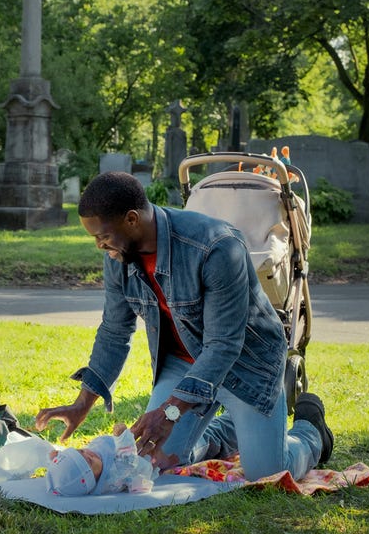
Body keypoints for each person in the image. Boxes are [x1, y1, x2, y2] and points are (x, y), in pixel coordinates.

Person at [34, 171, 333, 481]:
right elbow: (114, 331)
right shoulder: (118, 256)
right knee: (155, 462)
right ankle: (232, 428)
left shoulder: (217, 246)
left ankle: (311, 432)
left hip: (244, 367)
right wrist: (82, 404)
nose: (99, 245)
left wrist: (169, 413)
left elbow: (223, 346)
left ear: (132, 220)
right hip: (183, 365)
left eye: (102, 236)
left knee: (268, 474)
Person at [45, 423, 158, 496]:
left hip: (124, 451)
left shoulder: (93, 462)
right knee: (156, 456)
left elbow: (66, 470)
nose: (89, 453)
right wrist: (123, 437)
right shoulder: (112, 474)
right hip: (141, 463)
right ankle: (164, 466)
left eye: (81, 451)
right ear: (92, 479)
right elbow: (128, 460)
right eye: (90, 461)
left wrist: (57, 457)